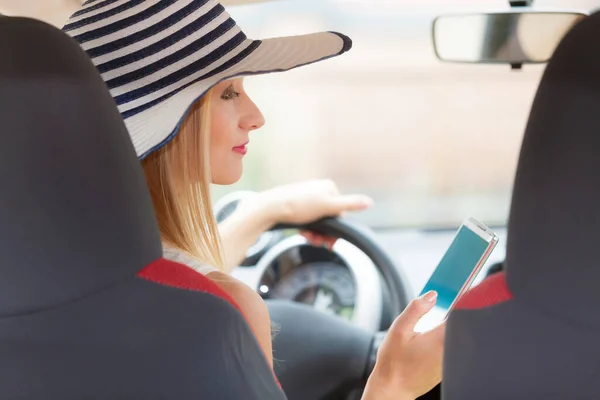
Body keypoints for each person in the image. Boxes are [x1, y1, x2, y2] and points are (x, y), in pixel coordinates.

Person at [62, 1, 444, 398]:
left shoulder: (46, 272)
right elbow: (184, 286)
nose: (256, 115)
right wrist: (392, 385)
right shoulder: (222, 312)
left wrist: (264, 212)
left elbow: (159, 276)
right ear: (167, 118)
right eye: (228, 92)